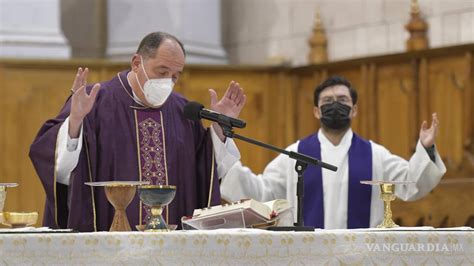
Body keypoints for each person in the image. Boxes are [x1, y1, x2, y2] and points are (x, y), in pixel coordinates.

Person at [29, 32, 246, 231]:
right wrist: (75, 122)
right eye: (162, 71)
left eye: (175, 76)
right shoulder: (95, 101)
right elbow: (56, 165)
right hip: (105, 243)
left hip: (171, 248)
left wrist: (219, 129)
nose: (167, 82)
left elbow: (204, 173)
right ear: (136, 63)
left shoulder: (184, 112)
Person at [216, 76, 446, 229]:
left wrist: (426, 148)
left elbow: (411, 184)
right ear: (316, 111)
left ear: (354, 109)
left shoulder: (376, 155)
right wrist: (223, 155)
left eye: (342, 100)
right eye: (327, 101)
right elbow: (261, 192)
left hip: (363, 257)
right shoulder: (295, 154)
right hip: (309, 255)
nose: (335, 105)